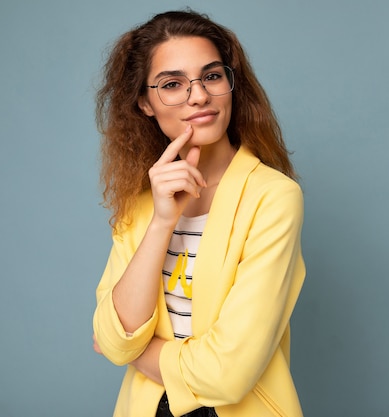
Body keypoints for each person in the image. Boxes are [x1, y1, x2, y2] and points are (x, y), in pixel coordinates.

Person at [92, 9, 305, 417]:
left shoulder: (273, 197)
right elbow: (115, 335)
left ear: (230, 84)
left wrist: (137, 356)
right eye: (172, 84)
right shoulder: (141, 204)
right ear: (145, 103)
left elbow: (227, 373)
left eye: (211, 76)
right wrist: (162, 222)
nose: (198, 96)